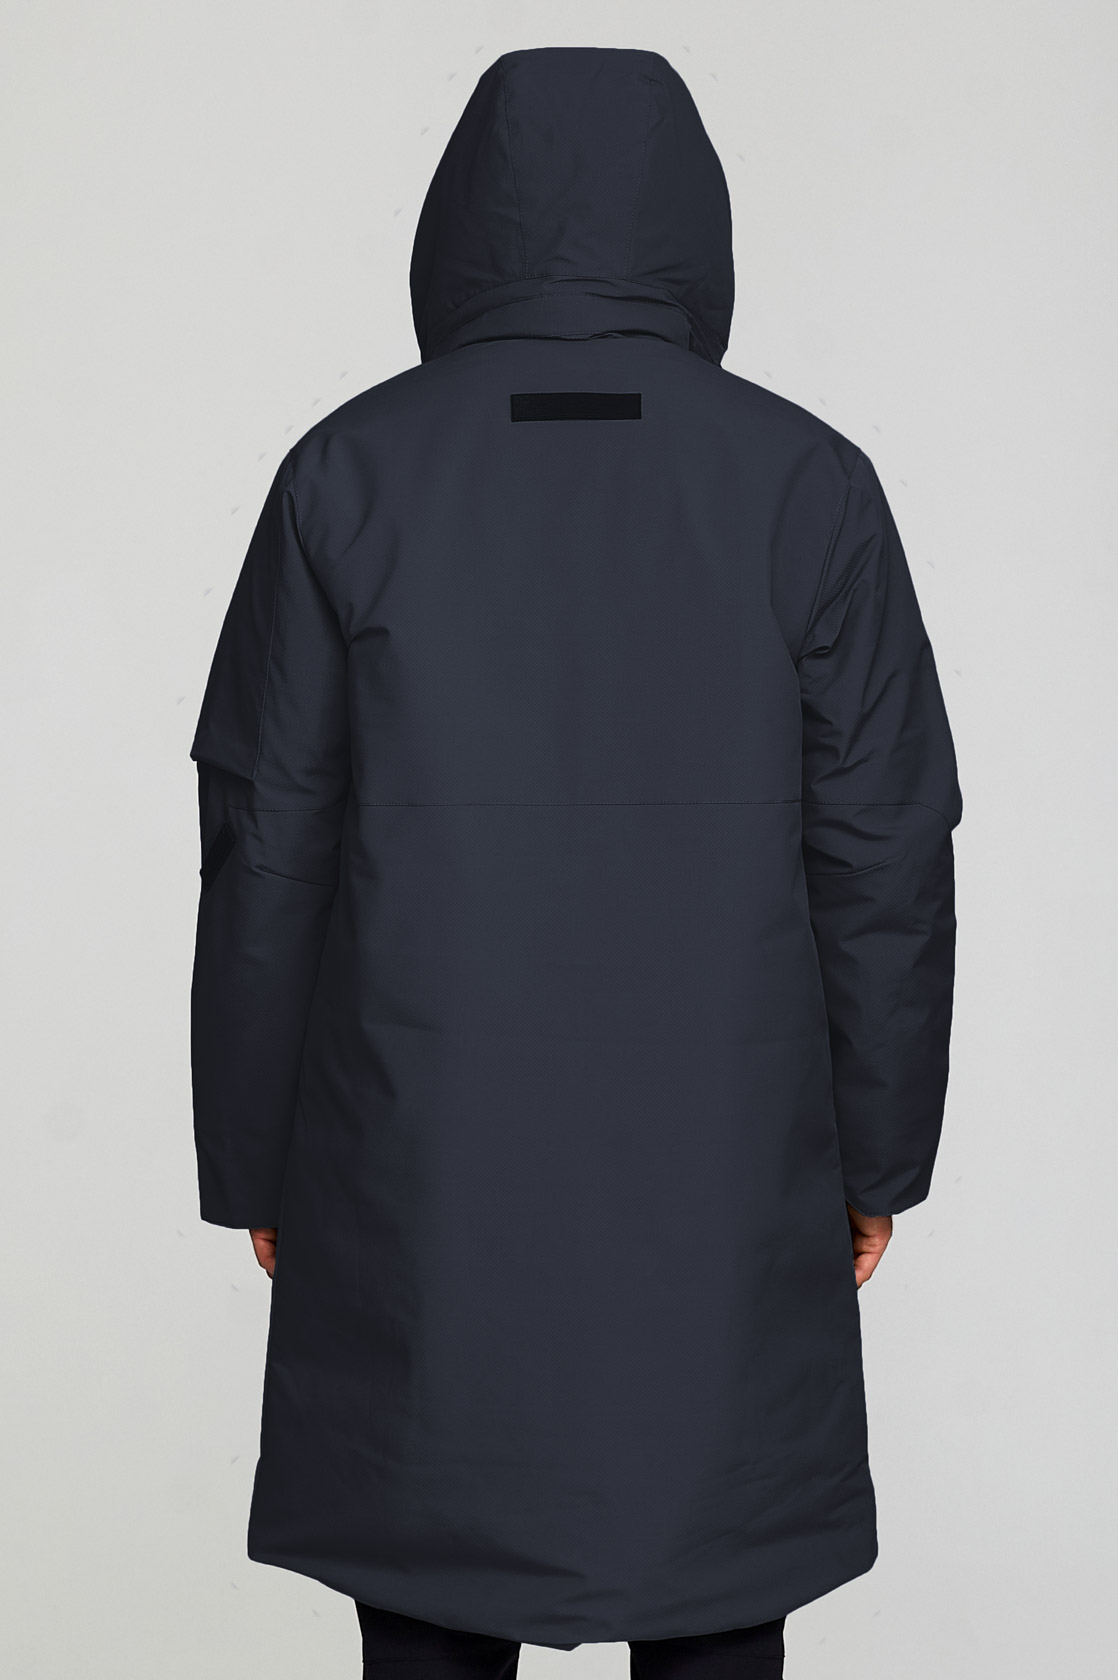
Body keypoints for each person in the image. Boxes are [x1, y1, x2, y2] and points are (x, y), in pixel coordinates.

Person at [189, 45, 961, 1679]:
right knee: (713, 1579)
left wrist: (259, 1162)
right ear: (692, 225)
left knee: (429, 1578)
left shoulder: (347, 473)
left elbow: (265, 843)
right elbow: (883, 849)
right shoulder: (804, 485)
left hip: (415, 1165)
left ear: (458, 221)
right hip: (725, 1163)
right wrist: (874, 1157)